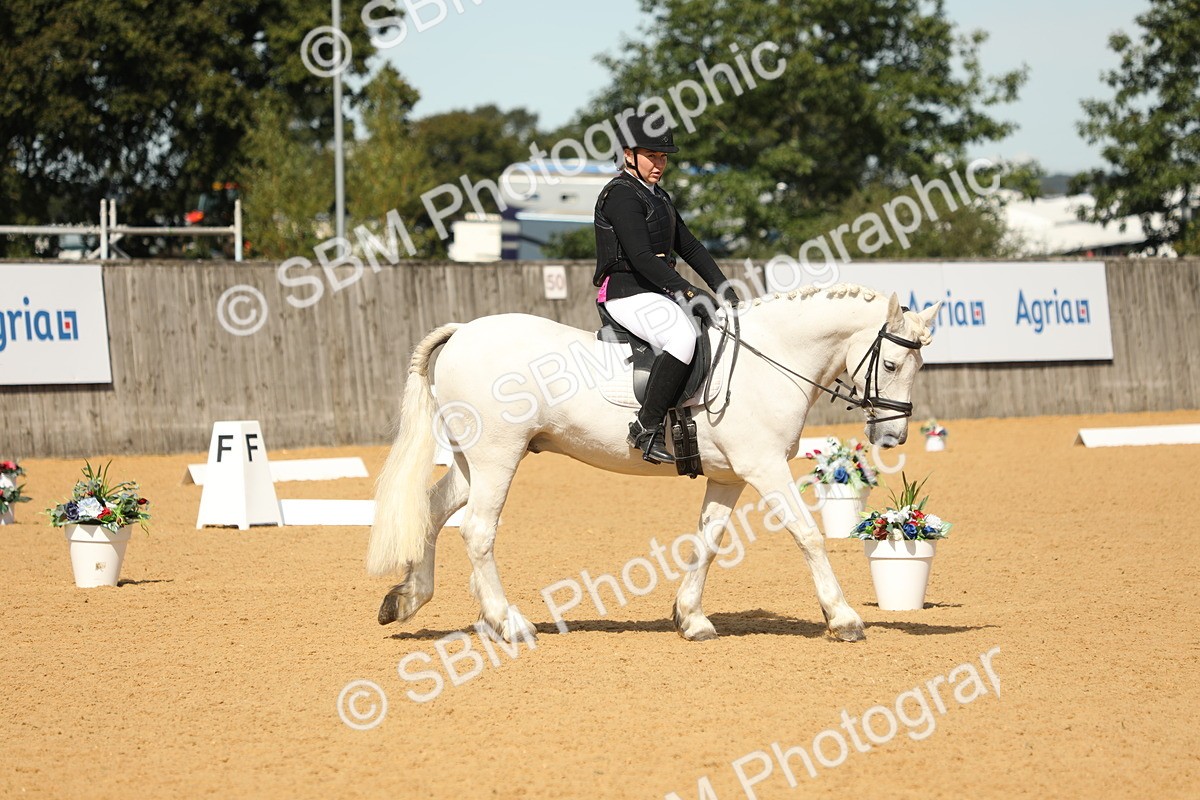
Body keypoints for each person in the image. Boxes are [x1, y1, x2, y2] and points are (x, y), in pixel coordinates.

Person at [592, 115, 737, 464]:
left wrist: (723, 288)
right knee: (681, 336)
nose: (659, 164)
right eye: (651, 156)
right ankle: (645, 427)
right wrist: (689, 292)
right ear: (629, 155)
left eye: (663, 157)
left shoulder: (658, 196)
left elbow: (690, 247)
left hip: (656, 290)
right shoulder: (620, 195)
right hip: (626, 291)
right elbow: (641, 257)